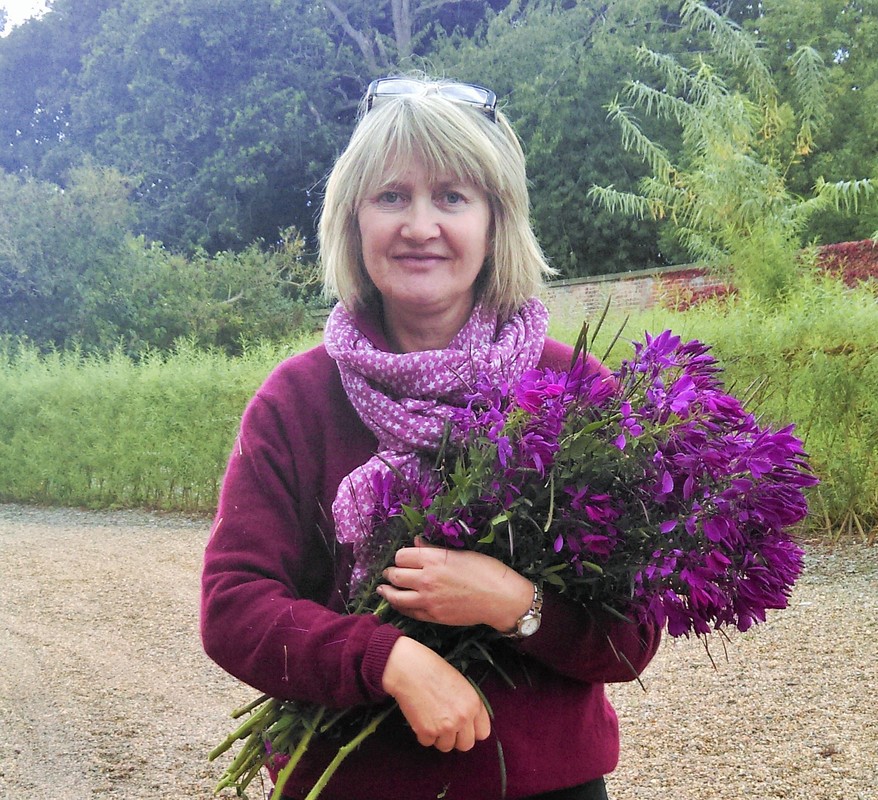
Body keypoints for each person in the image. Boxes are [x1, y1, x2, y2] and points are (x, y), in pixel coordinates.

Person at [201, 75, 661, 800]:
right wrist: (385, 659)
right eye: (391, 197)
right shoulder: (296, 400)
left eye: (452, 197)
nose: (420, 226)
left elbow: (632, 637)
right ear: (354, 221)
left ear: (494, 221)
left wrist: (515, 603)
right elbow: (234, 606)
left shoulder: (576, 391)